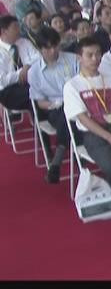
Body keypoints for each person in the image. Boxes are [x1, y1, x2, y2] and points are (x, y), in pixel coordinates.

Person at [63, 36, 111, 222]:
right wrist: (109, 137)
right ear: (79, 58)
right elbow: (83, 119)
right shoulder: (72, 86)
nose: (95, 59)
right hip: (94, 134)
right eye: (89, 55)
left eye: (98, 54)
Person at [28, 27, 79, 183]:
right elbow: (40, 102)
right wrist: (55, 104)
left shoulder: (73, 60)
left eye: (55, 46)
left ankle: (58, 160)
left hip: (78, 103)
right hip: (54, 108)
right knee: (66, 117)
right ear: (40, 49)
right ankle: (68, 155)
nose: (53, 51)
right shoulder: (34, 71)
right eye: (48, 48)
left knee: (72, 115)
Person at [0, 15, 38, 113]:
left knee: (44, 88)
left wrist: (27, 67)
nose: (19, 30)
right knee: (35, 92)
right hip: (8, 90)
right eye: (15, 27)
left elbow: (39, 57)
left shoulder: (24, 42)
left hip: (31, 81)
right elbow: (2, 80)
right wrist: (21, 73)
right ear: (4, 31)